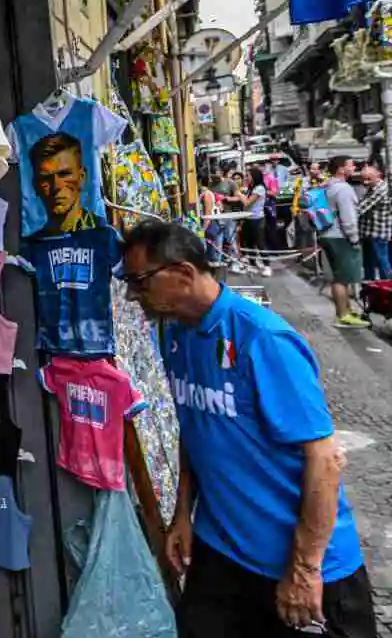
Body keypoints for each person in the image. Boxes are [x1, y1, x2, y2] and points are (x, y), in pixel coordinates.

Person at [121, 221, 375, 638]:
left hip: (303, 567)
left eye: (140, 281)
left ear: (183, 273)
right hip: (221, 557)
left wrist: (305, 568)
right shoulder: (177, 335)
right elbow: (195, 427)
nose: (133, 294)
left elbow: (325, 459)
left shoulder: (263, 339)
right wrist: (183, 514)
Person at [320, 156, 371, 328]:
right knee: (342, 278)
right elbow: (348, 218)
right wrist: (354, 239)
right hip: (340, 237)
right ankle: (342, 316)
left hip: (327, 234)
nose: (354, 167)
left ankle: (347, 311)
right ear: (341, 169)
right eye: (351, 165)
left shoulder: (328, 186)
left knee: (341, 276)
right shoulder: (344, 189)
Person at [29, 132, 95, 234]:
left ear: (82, 177)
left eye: (64, 174)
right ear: (35, 186)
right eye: (46, 178)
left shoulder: (105, 235)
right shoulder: (31, 244)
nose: (56, 186)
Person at [357, 163, 392, 281]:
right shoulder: (373, 188)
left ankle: (387, 285)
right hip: (369, 232)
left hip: (378, 233)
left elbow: (360, 208)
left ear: (378, 176)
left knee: (382, 262)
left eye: (368, 179)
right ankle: (370, 285)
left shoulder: (380, 189)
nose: (365, 182)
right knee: (368, 263)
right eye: (363, 179)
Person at [240, 166, 272, 277]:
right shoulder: (251, 188)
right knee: (249, 243)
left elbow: (247, 202)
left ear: (254, 176)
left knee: (260, 243)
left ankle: (267, 266)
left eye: (248, 176)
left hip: (257, 219)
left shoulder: (259, 188)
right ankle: (253, 264)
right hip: (248, 219)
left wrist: (238, 193)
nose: (246, 178)